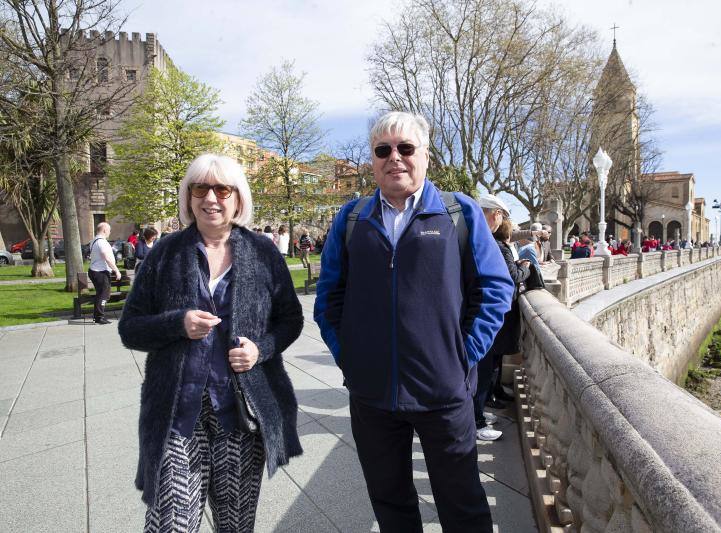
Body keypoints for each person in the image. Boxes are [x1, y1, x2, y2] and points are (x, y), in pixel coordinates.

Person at [314, 111, 514, 533]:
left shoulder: (459, 214)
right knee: (391, 507)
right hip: (372, 396)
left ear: (425, 155)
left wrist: (462, 354)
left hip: (443, 393)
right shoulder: (352, 219)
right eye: (383, 150)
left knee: (463, 506)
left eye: (406, 148)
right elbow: (329, 297)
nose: (395, 158)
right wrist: (349, 355)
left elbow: (495, 289)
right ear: (372, 159)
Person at [118, 154, 304, 533]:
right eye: (200, 188)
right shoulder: (166, 253)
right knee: (170, 525)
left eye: (223, 189)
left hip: (239, 414)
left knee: (235, 526)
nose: (211, 198)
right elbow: (130, 327)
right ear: (188, 198)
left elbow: (291, 320)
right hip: (177, 414)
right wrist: (177, 323)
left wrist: (260, 349)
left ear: (238, 198)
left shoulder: (262, 252)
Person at [473, 214, 529, 441]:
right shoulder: (492, 245)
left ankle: (478, 417)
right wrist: (525, 270)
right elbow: (509, 276)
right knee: (481, 372)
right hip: (482, 318)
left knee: (485, 371)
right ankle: (475, 423)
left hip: (485, 317)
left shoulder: (488, 243)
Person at [88, 222, 121, 325]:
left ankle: (98, 316)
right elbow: (105, 257)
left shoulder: (94, 240)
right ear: (104, 230)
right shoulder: (101, 242)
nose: (110, 232)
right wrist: (116, 270)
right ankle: (99, 317)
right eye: (109, 230)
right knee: (103, 294)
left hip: (97, 270)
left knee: (102, 294)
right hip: (100, 272)